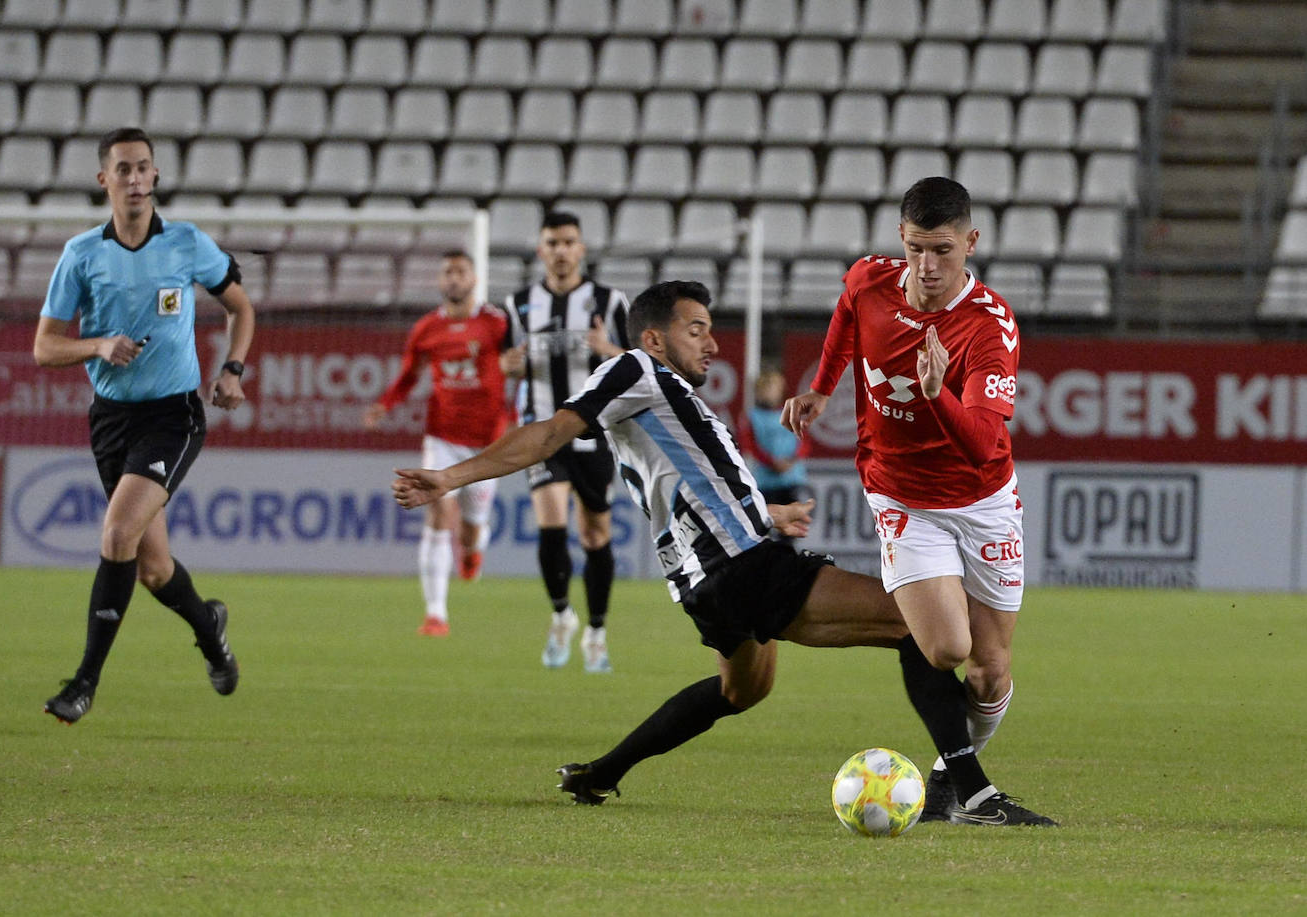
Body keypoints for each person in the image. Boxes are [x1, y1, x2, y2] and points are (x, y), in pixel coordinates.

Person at [396, 280, 1055, 826]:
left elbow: (687, 484)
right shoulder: (634, 369)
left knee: (742, 689)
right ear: (654, 338)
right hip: (740, 565)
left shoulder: (669, 401)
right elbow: (547, 434)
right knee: (922, 628)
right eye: (696, 329)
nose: (712, 343)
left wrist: (765, 512)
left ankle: (602, 772)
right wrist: (449, 477)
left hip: (702, 580)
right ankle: (967, 791)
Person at [782, 176, 1034, 825]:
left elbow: (982, 444)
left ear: (971, 243)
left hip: (983, 502)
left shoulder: (989, 327)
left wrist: (934, 394)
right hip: (901, 496)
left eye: (942, 250)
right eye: (917, 248)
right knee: (946, 648)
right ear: (901, 237)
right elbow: (847, 311)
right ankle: (971, 791)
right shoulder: (870, 280)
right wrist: (823, 386)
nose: (927, 265)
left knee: (989, 670)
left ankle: (951, 781)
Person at [34, 127, 255, 724]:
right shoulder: (82, 254)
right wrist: (97, 345)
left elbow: (241, 307)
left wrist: (232, 369)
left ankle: (83, 683)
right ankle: (210, 629)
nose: (135, 179)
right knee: (154, 569)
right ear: (103, 179)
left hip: (172, 415)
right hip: (112, 420)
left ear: (155, 176)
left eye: (143, 168)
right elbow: (44, 347)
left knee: (115, 537)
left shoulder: (186, 243)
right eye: (123, 169)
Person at [502, 211, 631, 673]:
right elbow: (505, 363)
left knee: (595, 534)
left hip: (594, 432)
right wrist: (508, 365)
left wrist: (606, 349)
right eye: (553, 243)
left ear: (581, 249)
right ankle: (561, 615)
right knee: (551, 523)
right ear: (541, 250)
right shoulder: (518, 304)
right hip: (541, 430)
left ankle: (596, 631)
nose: (560, 250)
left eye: (568, 242)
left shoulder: (609, 302)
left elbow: (636, 362)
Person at [363, 250, 511, 637]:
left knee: (471, 528)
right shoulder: (426, 328)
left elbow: (518, 365)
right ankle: (435, 615)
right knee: (439, 513)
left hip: (487, 442)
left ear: (474, 279)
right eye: (448, 272)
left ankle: (473, 550)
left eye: (461, 271)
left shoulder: (497, 323)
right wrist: (384, 404)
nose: (454, 278)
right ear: (440, 280)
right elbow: (408, 375)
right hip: (443, 436)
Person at [737, 367, 810, 508]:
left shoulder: (792, 413)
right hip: (766, 481)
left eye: (773, 388)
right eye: (765, 389)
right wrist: (771, 462)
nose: (769, 393)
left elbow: (804, 441)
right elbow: (749, 445)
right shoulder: (751, 417)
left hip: (793, 478)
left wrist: (792, 460)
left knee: (795, 518)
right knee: (769, 517)